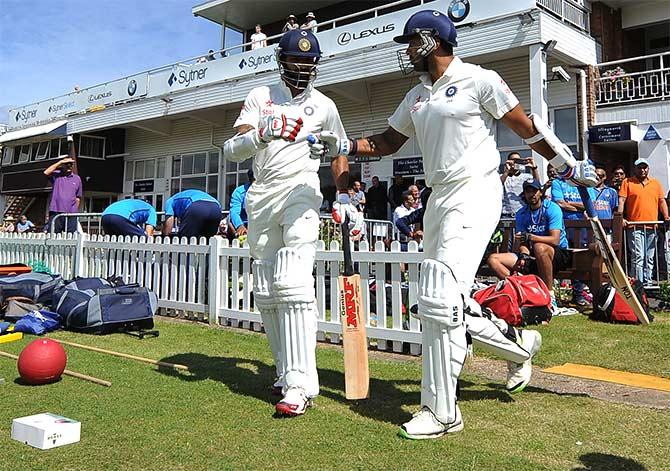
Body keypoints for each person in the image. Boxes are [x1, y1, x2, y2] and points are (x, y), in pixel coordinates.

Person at [307, 9, 597, 439]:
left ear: (432, 41)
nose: (406, 52)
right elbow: (387, 143)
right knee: (436, 300)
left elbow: (526, 126)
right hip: (438, 198)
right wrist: (343, 144)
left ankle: (442, 413)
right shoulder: (418, 96)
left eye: (410, 43)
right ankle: (517, 347)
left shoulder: (480, 79)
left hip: (476, 190)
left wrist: (567, 165)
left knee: (441, 295)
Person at [222, 29, 356, 417]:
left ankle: (301, 384)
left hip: (302, 190)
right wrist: (262, 134)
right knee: (266, 288)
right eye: (295, 63)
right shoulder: (260, 97)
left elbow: (339, 152)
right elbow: (232, 151)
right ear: (281, 61)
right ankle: (284, 371)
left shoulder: (325, 105)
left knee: (293, 281)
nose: (301, 70)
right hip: (262, 191)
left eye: (308, 64)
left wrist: (344, 195)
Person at [487, 179, 570, 311]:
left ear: (541, 192)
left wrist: (531, 237)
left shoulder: (552, 208)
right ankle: (525, 292)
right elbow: (522, 241)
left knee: (539, 247)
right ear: (524, 194)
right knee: (493, 259)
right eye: (528, 191)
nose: (532, 194)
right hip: (532, 254)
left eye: (534, 191)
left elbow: (555, 240)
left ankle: (549, 296)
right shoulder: (521, 213)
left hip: (557, 254)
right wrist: (524, 256)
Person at [618, 158, 670, 285]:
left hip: (652, 227)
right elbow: (622, 201)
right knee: (638, 256)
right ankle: (638, 284)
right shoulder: (627, 182)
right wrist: (620, 217)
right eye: (640, 167)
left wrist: (667, 217)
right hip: (634, 226)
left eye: (645, 167)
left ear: (648, 169)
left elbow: (661, 201)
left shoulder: (656, 183)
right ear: (635, 169)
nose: (642, 170)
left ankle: (647, 283)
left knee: (649, 257)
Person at [551, 166, 595, 306]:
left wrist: (569, 204)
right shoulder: (558, 182)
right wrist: (580, 206)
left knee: (581, 259)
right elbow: (559, 203)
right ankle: (555, 294)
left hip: (583, 227)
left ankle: (578, 293)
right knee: (562, 257)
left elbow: (590, 204)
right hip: (563, 226)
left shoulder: (584, 183)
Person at [44, 146, 82, 234]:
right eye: (67, 164)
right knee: (53, 235)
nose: (69, 166)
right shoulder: (57, 176)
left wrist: (74, 210)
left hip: (71, 213)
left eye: (71, 164)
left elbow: (78, 197)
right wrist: (60, 162)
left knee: (71, 236)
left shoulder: (77, 179)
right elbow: (46, 172)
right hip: (56, 211)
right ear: (63, 165)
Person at [501, 152, 540, 217]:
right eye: (513, 160)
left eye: (518, 160)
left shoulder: (526, 176)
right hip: (505, 213)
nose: (515, 162)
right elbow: (498, 185)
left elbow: (537, 184)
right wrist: (507, 170)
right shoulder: (503, 176)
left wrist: (534, 168)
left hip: (523, 212)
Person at [229, 169, 255, 240]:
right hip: (244, 224)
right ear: (251, 180)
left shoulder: (267, 190)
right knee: (230, 222)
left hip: (261, 224)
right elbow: (234, 212)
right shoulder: (239, 192)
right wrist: (239, 226)